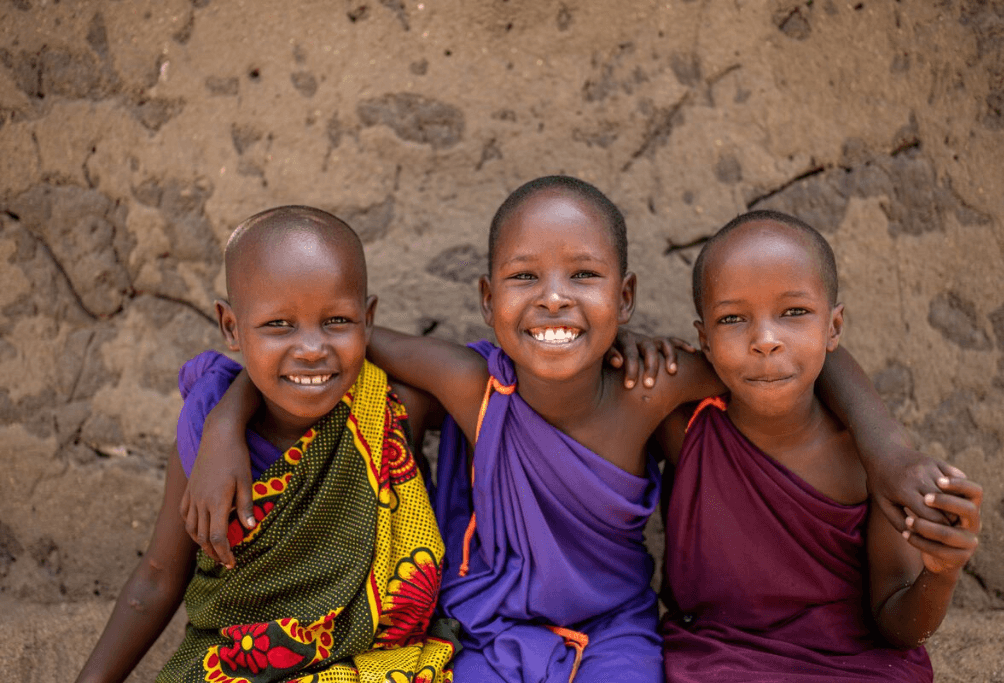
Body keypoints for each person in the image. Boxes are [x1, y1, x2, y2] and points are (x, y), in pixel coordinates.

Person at [186, 178, 961, 683]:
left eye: (582, 276)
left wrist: (889, 446)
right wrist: (228, 417)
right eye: (526, 277)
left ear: (623, 296)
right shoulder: (472, 384)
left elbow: (799, 353)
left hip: (616, 626)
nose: (554, 298)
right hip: (487, 626)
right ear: (489, 298)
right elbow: (327, 347)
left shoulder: (650, 388)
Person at [75, 206, 457, 683]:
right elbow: (155, 578)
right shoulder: (201, 446)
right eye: (279, 325)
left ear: (369, 318)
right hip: (235, 667)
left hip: (378, 666)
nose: (312, 348)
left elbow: (478, 383)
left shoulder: (393, 408)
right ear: (231, 327)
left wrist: (230, 414)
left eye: (336, 320)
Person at [656, 210, 982, 682]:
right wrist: (636, 345)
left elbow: (898, 626)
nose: (765, 340)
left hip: (852, 666)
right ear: (704, 340)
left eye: (794, 312)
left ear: (834, 327)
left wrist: (941, 573)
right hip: (715, 658)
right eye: (733, 318)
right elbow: (595, 375)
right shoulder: (688, 427)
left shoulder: (869, 461)